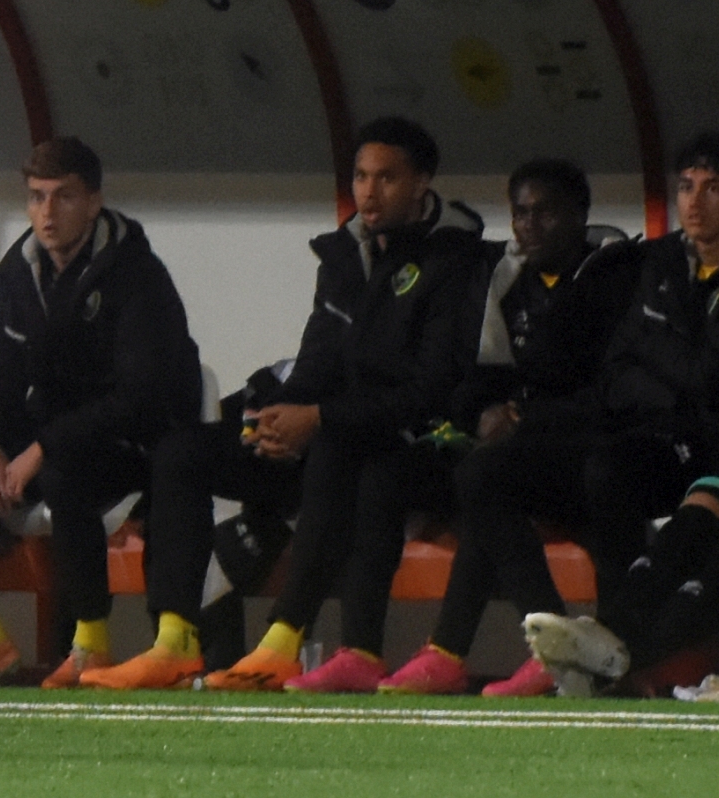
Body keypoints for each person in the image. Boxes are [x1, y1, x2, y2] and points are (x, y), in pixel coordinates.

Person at [92, 118, 488, 692]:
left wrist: (319, 418)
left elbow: (429, 388)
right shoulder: (345, 254)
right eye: (360, 176)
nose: (369, 192)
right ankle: (175, 639)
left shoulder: (456, 262)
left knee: (333, 444)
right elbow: (319, 357)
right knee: (181, 452)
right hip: (322, 433)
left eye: (387, 178)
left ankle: (284, 640)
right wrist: (277, 417)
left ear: (422, 183)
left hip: (402, 444)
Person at [0, 136, 201, 687]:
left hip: (137, 440)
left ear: (93, 203)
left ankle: (91, 643)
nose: (47, 214)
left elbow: (138, 396)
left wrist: (39, 449)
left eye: (63, 198)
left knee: (61, 471)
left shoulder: (137, 273)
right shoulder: (21, 274)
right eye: (36, 197)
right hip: (51, 434)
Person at [377, 160, 641, 696]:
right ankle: (536, 648)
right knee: (453, 477)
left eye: (545, 212)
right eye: (520, 213)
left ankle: (464, 650)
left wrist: (526, 416)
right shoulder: (507, 279)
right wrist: (477, 415)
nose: (529, 226)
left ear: (580, 216)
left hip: (597, 449)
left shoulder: (612, 279)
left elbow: (613, 388)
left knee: (487, 482)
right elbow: (482, 375)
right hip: (526, 456)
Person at [522, 134, 719, 696]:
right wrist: (678, 377)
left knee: (701, 527)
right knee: (669, 502)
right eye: (686, 187)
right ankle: (607, 645)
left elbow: (704, 375)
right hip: (682, 440)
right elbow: (621, 367)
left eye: (712, 188)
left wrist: (669, 367)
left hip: (705, 441)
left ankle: (615, 651)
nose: (695, 202)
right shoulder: (659, 266)